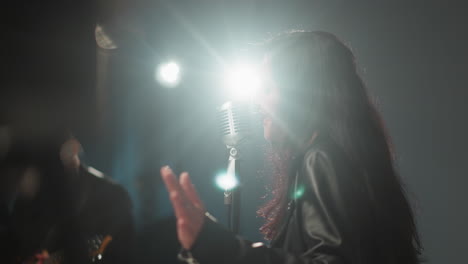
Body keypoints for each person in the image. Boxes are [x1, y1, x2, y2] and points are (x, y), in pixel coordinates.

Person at [159, 31, 422, 264]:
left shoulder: (322, 159)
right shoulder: (346, 159)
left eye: (267, 89)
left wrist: (220, 247)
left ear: (304, 95)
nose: (256, 103)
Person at [0, 126, 134, 264]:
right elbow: (15, 243)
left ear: (74, 148)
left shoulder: (113, 196)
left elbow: (121, 254)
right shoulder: (30, 197)